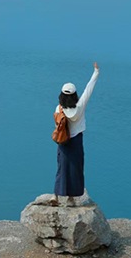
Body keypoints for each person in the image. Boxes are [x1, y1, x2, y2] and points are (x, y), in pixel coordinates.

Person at [50, 62, 100, 207]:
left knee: (62, 168)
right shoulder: (80, 107)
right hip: (76, 140)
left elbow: (57, 125)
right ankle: (71, 199)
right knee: (75, 168)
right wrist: (96, 71)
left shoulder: (59, 108)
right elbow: (89, 88)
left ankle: (57, 196)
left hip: (63, 141)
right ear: (74, 95)